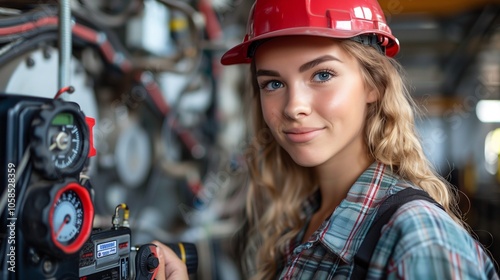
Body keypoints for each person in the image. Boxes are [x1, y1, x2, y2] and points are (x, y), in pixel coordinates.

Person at [154, 0, 500, 279]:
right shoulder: (304, 219)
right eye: (273, 83)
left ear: (373, 85)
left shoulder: (418, 240)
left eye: (322, 74)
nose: (294, 107)